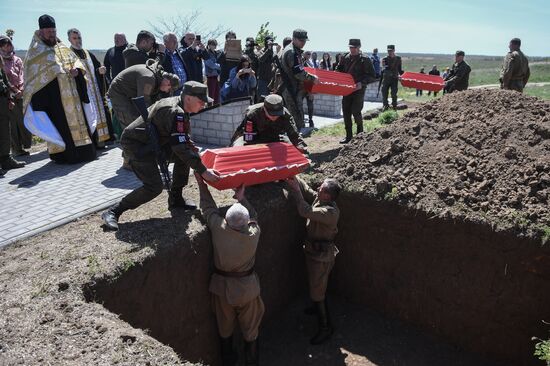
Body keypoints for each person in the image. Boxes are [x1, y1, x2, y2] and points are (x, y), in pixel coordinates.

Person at [101, 81, 220, 231]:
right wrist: (203, 170)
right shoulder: (175, 111)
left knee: (185, 157)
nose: (204, 105)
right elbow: (179, 146)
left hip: (155, 142)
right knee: (154, 187)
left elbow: (178, 137)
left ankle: (176, 199)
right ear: (188, 98)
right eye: (201, 101)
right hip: (137, 145)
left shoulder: (181, 107)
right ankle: (113, 211)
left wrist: (188, 143)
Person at [195, 177, 263, 366]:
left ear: (226, 220)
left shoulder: (219, 228)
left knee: (225, 331)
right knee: (251, 332)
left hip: (223, 290)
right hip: (248, 290)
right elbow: (254, 215)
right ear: (247, 222)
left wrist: (202, 184)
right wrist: (241, 197)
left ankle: (228, 361)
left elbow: (208, 209)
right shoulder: (254, 233)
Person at [23, 14, 98, 164]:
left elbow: (77, 63)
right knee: (61, 126)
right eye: (49, 32)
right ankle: (65, 156)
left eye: (54, 31)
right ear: (41, 31)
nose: (52, 34)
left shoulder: (62, 47)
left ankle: (85, 153)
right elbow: (32, 79)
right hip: (54, 99)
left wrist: (77, 72)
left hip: (74, 96)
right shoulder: (35, 52)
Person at [285, 175, 341, 345]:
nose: (318, 189)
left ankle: (325, 328)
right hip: (314, 253)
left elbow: (305, 211)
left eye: (322, 189)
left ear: (328, 196)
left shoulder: (330, 213)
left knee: (318, 291)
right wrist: (294, 176)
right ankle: (317, 308)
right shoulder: (321, 199)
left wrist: (295, 190)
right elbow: (309, 190)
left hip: (322, 258)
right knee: (315, 286)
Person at [67, 28, 111, 145]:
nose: (78, 40)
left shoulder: (87, 53)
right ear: (69, 39)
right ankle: (95, 141)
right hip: (83, 92)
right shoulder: (69, 55)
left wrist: (100, 70)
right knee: (89, 115)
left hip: (95, 90)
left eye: (79, 37)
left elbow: (96, 68)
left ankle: (104, 138)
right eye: (74, 38)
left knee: (100, 112)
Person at [107, 61, 180, 131]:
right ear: (167, 82)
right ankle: (129, 142)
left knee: (139, 120)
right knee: (130, 122)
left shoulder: (157, 77)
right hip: (118, 92)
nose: (166, 91)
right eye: (169, 89)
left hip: (130, 93)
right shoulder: (149, 78)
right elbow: (143, 102)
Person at [230, 94, 307, 152]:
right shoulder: (252, 114)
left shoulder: (285, 115)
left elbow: (294, 136)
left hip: (274, 138)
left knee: (291, 148)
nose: (275, 117)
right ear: (264, 109)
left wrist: (302, 150)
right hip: (255, 140)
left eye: (277, 114)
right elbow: (249, 139)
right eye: (272, 114)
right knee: (238, 148)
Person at [337, 39, 376, 144]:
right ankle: (348, 136)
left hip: (359, 89)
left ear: (359, 47)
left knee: (356, 111)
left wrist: (361, 83)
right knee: (346, 111)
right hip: (347, 89)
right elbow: (339, 70)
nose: (352, 49)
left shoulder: (365, 59)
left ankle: (360, 135)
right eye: (351, 47)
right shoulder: (345, 58)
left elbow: (372, 76)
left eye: (354, 47)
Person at [279, 29, 319, 130]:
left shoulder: (293, 50)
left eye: (304, 40)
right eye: (301, 40)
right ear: (294, 39)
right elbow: (298, 73)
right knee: (296, 116)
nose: (303, 43)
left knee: (293, 115)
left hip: (291, 87)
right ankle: (297, 139)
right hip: (290, 88)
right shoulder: (292, 52)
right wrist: (312, 78)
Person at [0, 35, 31, 156]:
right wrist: (13, 90)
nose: (6, 48)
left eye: (8, 45)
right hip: (9, 94)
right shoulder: (1, 61)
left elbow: (22, 74)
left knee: (24, 120)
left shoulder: (17, 59)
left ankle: (25, 144)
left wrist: (21, 89)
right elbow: (4, 79)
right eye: (3, 45)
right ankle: (17, 149)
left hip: (21, 93)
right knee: (13, 123)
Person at [0, 53, 25, 174]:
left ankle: (6, 160)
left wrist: (9, 98)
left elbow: (5, 80)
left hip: (2, 101)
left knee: (5, 132)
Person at [381, 44, 403, 110]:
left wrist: (401, 76)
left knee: (394, 94)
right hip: (386, 79)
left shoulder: (398, 58)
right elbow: (384, 69)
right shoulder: (385, 59)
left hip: (394, 79)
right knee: (384, 93)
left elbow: (400, 69)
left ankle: (394, 107)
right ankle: (385, 106)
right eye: (388, 51)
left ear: (394, 50)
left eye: (391, 51)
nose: (390, 52)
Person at [256, 36, 279, 100]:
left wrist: (278, 51)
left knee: (271, 102)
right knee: (261, 100)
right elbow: (261, 59)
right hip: (262, 80)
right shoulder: (261, 51)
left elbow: (278, 64)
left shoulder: (273, 53)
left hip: (271, 81)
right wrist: (268, 50)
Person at [204, 39, 222, 104]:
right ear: (209, 45)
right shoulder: (206, 53)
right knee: (210, 96)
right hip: (210, 77)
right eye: (212, 44)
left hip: (216, 77)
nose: (214, 46)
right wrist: (219, 66)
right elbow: (210, 64)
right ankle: (209, 109)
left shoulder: (216, 53)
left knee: (217, 96)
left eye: (215, 44)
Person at [302, 51, 315, 127]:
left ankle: (310, 119)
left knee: (310, 105)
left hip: (309, 86)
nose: (308, 55)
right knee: (299, 105)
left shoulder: (311, 63)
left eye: (309, 54)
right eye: (307, 54)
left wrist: (311, 91)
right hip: (302, 87)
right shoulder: (302, 62)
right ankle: (302, 120)